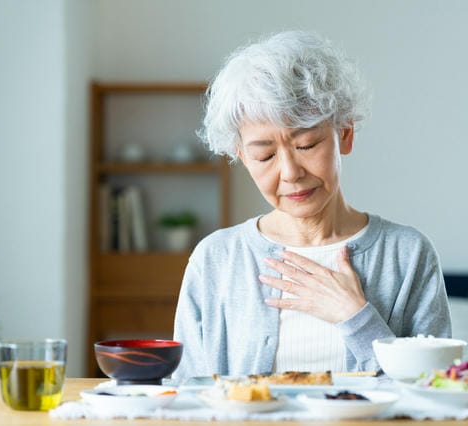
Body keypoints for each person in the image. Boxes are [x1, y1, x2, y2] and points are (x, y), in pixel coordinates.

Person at [172, 30, 451, 382]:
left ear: (344, 134)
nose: (290, 173)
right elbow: (188, 395)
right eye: (265, 155)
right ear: (242, 156)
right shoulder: (216, 259)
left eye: (306, 145)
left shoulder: (407, 255)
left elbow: (438, 396)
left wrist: (357, 317)